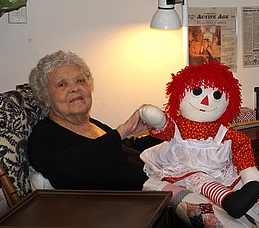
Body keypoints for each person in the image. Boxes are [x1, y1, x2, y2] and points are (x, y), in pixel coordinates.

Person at [27, 50, 160, 190]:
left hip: (155, 193)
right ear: (45, 98)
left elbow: (126, 149)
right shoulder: (44, 135)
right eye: (62, 84)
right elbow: (67, 172)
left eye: (80, 80)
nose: (74, 88)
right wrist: (121, 132)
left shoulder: (93, 125)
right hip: (119, 207)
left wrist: (162, 133)